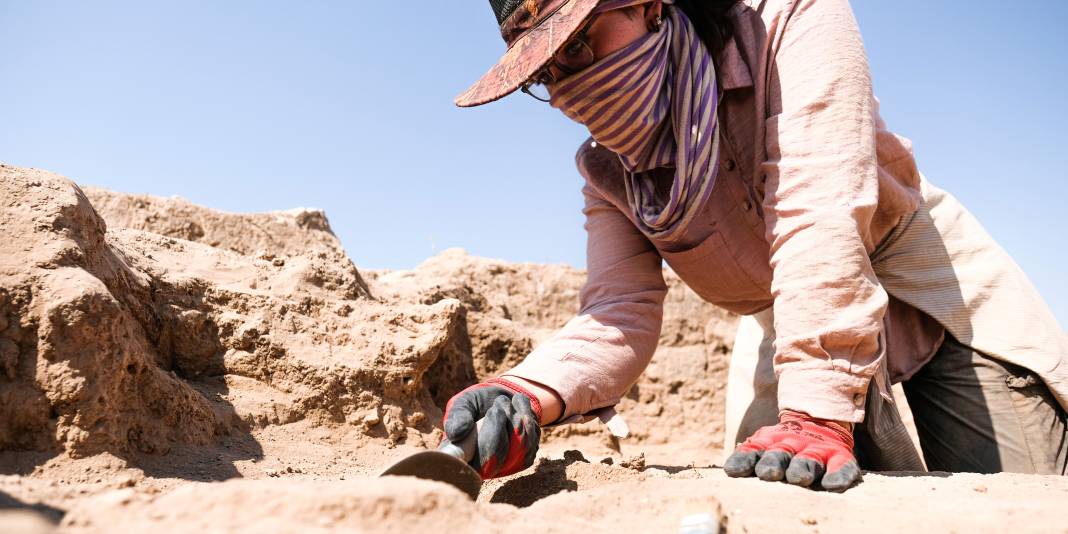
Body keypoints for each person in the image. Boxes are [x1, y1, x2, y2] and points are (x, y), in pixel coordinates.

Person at [443, 0, 1068, 492]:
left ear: (649, 4)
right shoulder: (610, 173)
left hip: (923, 284)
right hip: (787, 316)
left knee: (1007, 489)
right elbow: (618, 310)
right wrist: (528, 391)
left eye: (579, 42)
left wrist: (817, 413)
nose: (570, 86)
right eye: (546, 74)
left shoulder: (786, 22)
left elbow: (818, 212)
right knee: (771, 495)